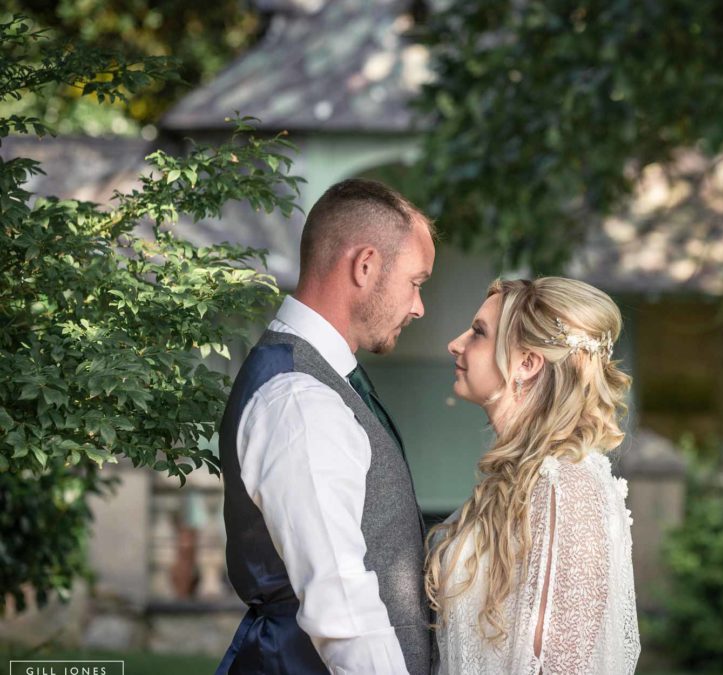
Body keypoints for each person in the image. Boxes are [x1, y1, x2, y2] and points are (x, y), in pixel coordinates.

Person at [215, 179, 436, 675]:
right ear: (365, 266)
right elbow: (342, 608)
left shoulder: (321, 380)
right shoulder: (300, 399)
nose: (419, 306)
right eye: (416, 282)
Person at [428, 277, 641, 674]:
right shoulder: (519, 479)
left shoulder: (569, 486)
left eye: (478, 333)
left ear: (526, 363)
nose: (456, 344)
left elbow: (563, 663)